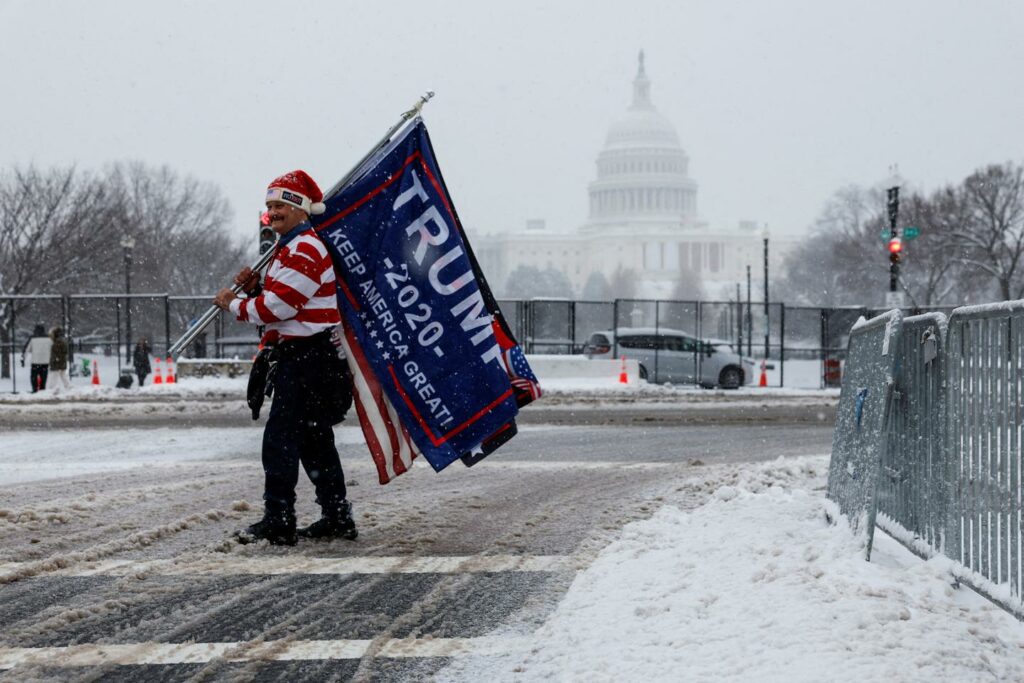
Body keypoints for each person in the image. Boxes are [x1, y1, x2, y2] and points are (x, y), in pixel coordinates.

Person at [214, 169, 356, 546]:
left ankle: (279, 518)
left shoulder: (305, 248)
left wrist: (235, 304)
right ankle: (336, 515)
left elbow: (279, 308)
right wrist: (256, 286)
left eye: (279, 205)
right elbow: (283, 297)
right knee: (314, 440)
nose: (272, 212)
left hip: (310, 359)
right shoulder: (290, 250)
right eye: (268, 206)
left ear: (299, 209)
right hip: (311, 357)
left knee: (281, 440)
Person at [20, 324, 52, 393]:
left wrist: (23, 359)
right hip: (45, 362)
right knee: (43, 378)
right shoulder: (49, 338)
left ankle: (35, 390)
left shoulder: (33, 338)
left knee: (33, 377)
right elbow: (52, 349)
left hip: (35, 362)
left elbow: (26, 350)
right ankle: (42, 390)